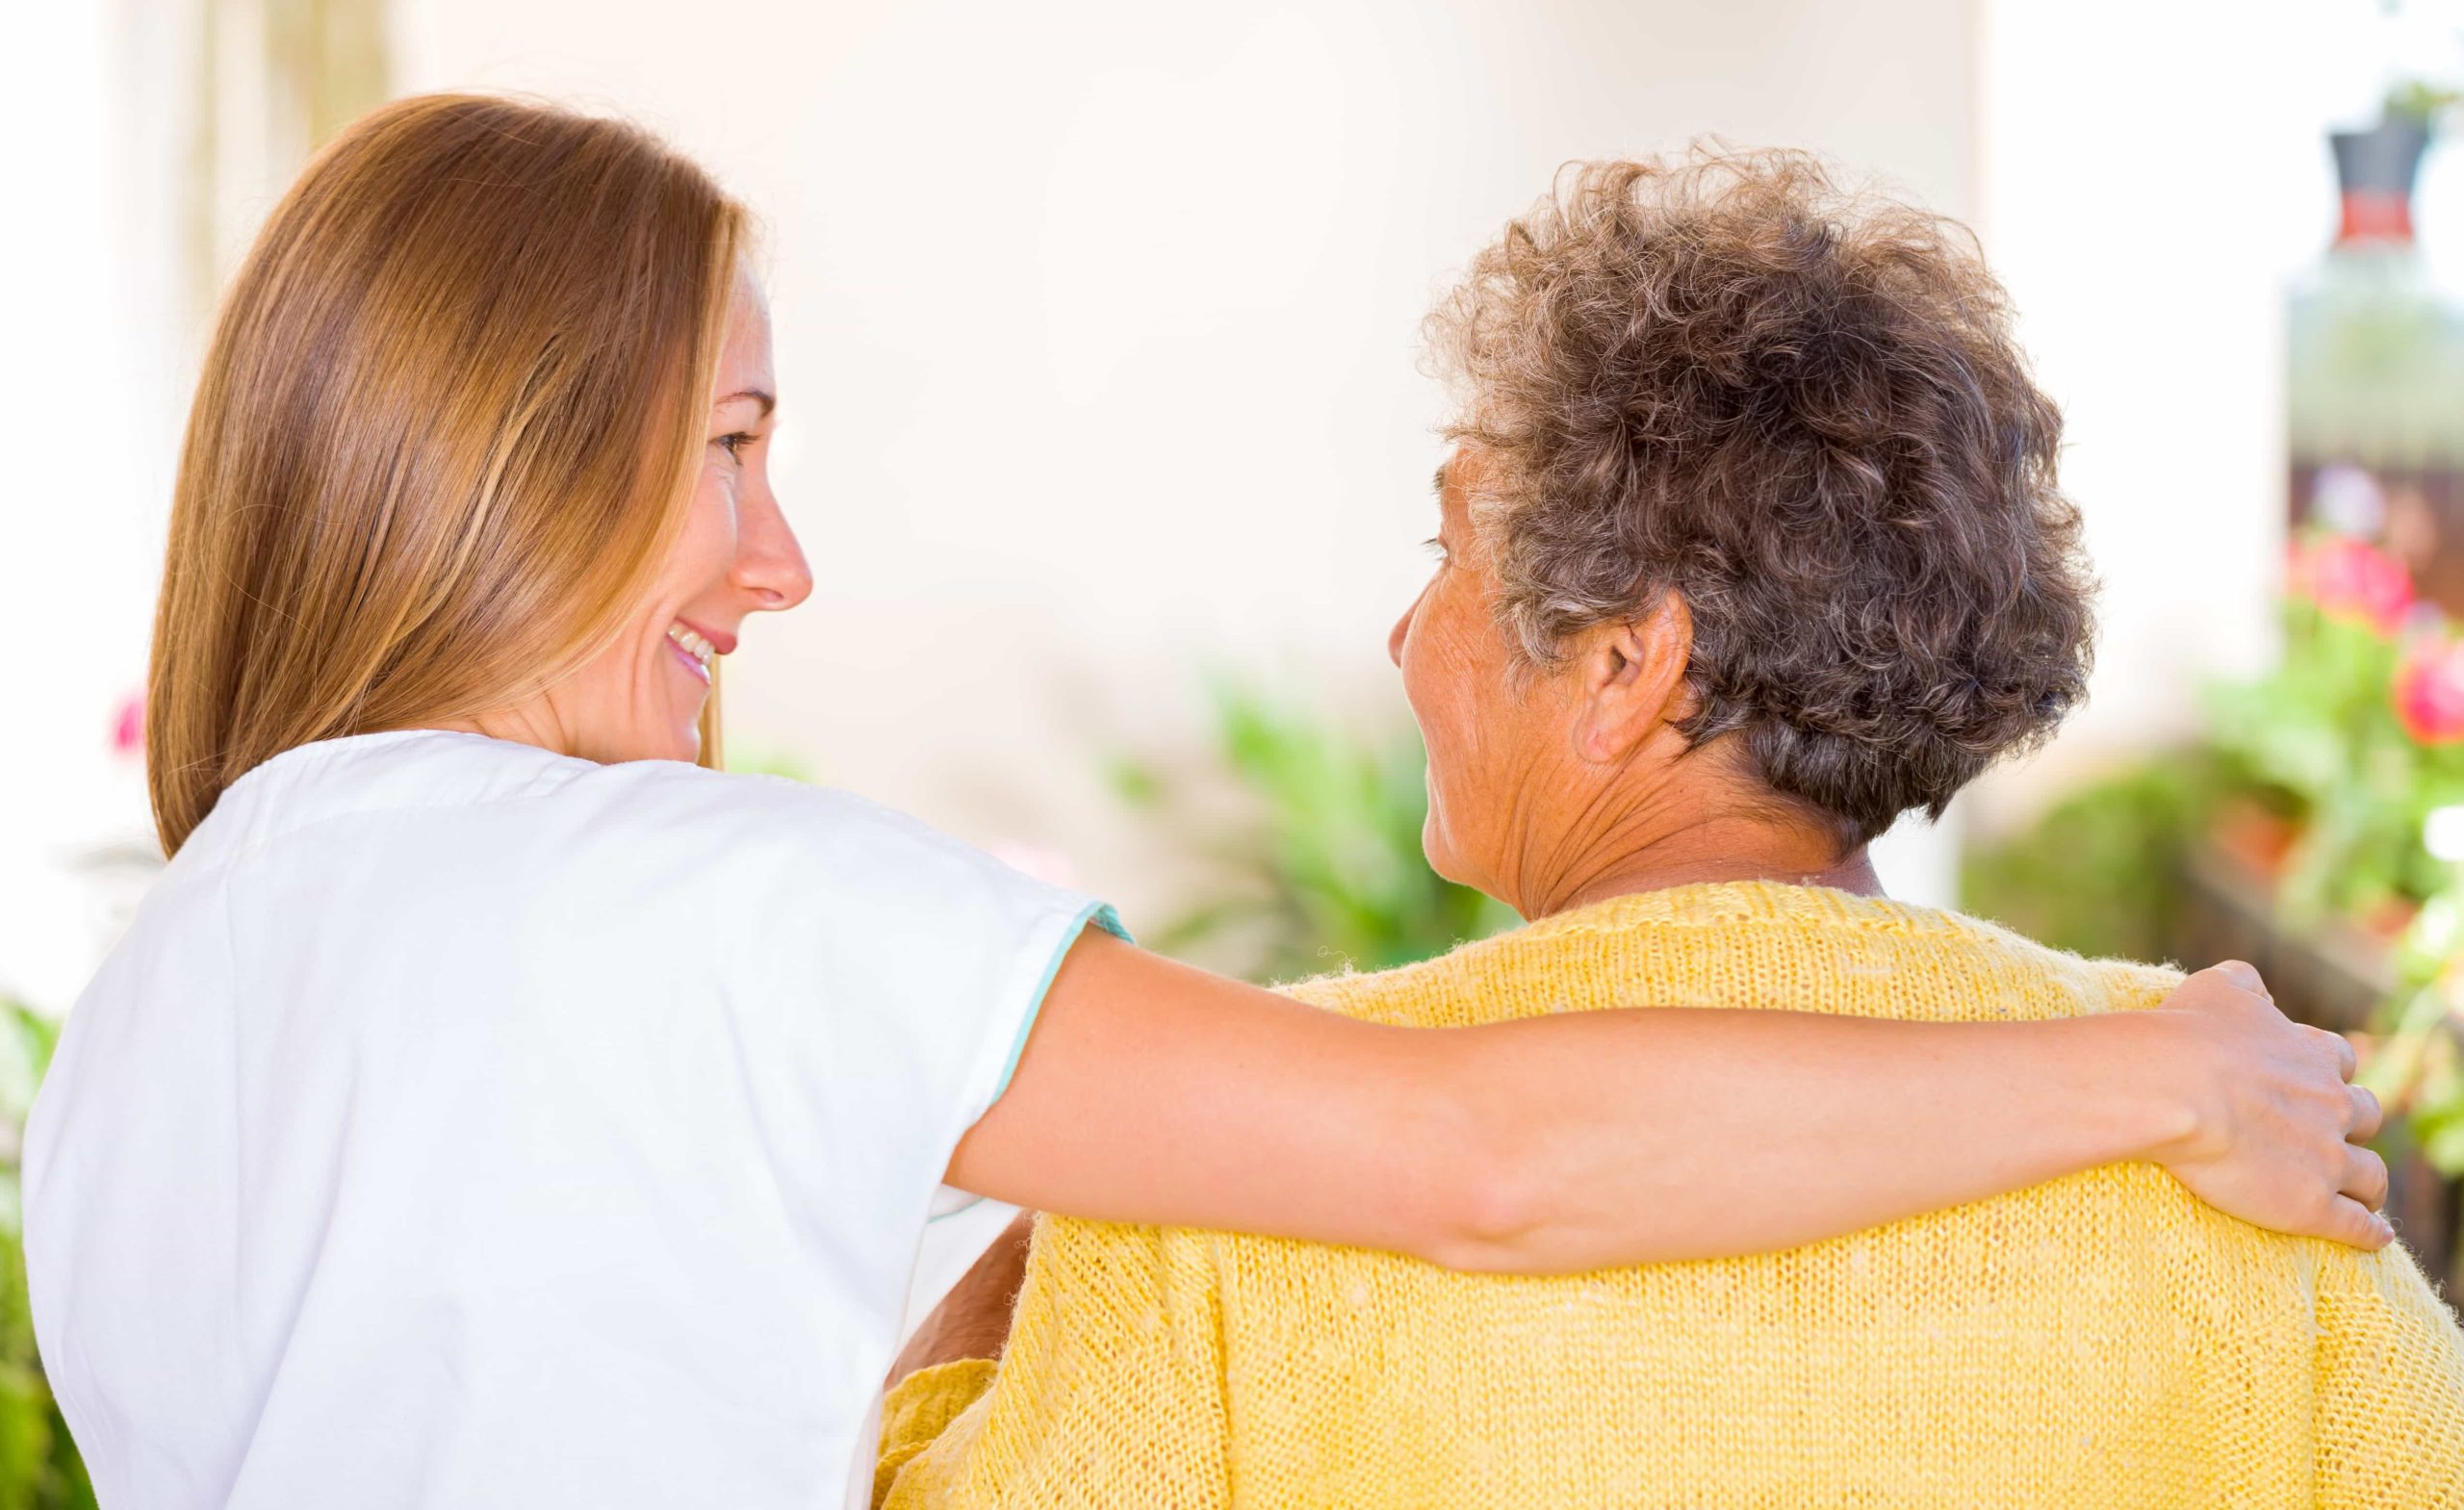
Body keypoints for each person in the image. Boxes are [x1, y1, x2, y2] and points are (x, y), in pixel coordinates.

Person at [18, 99, 2384, 1510]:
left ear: (1629, 658)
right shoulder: (2274, 1204)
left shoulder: (145, 1021)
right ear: (513, 450)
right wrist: (2139, 1070)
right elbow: (1486, 1157)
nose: (787, 553)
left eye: (1439, 553)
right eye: (735, 447)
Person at [873, 151, 2464, 1509]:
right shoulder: (2242, 1148)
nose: (1404, 635)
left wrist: (1013, 1275)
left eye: (1443, 551)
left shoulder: (1246, 1165)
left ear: (1627, 662)